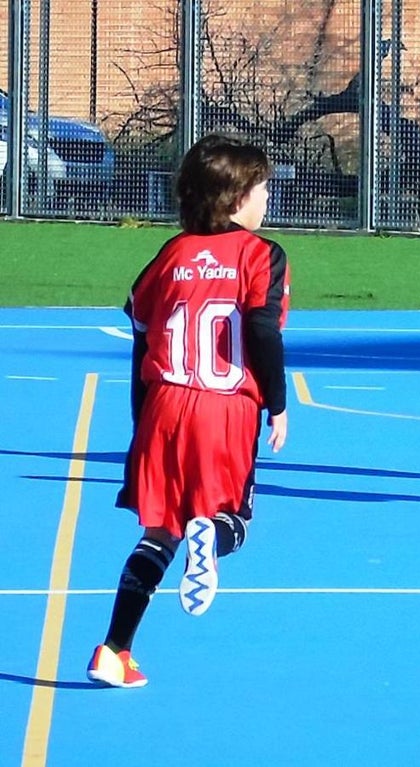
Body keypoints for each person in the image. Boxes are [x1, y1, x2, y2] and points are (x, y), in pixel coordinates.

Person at [86, 134, 291, 688]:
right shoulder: (261, 254)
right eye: (261, 187)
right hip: (223, 409)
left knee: (160, 533)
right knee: (232, 518)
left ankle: (113, 651)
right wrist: (278, 403)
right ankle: (214, 536)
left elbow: (140, 336)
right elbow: (261, 328)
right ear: (235, 198)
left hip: (163, 407)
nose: (267, 197)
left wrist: (140, 426)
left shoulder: (169, 255)